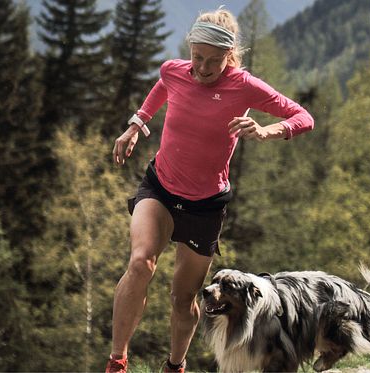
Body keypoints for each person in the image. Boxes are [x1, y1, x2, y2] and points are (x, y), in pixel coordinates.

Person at [106, 8, 314, 373]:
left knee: (183, 297)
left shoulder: (244, 86)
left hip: (205, 205)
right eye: (197, 57)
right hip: (160, 188)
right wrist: (137, 123)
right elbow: (163, 87)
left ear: (229, 57)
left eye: (213, 62)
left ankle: (175, 365)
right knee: (140, 264)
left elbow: (302, 116)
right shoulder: (174, 70)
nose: (201, 68)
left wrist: (266, 131)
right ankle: (117, 361)